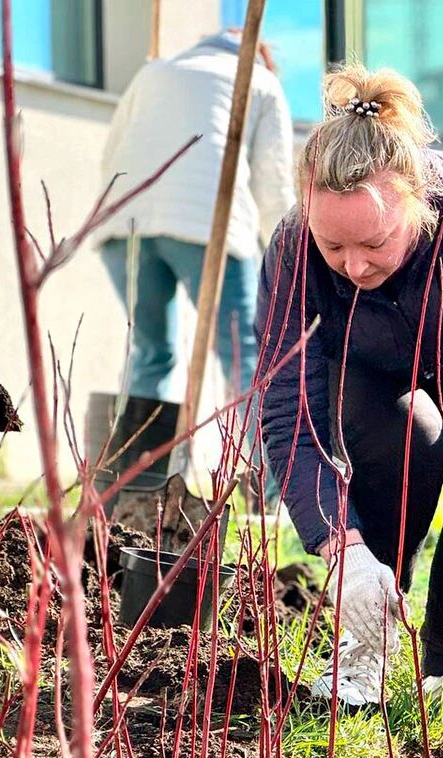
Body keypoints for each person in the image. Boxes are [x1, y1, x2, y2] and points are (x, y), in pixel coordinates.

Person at [254, 65, 443, 758]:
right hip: (364, 368)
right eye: (336, 248)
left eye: (374, 244)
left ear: (415, 206)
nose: (354, 265)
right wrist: (342, 549)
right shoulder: (293, 249)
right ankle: (363, 642)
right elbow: (286, 408)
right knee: (405, 441)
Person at [94, 30, 294, 502]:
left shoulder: (155, 70)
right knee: (245, 353)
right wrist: (287, 254)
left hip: (127, 226)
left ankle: (137, 488)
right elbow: (273, 182)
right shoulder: (259, 80)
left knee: (151, 354)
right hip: (208, 225)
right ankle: (260, 495)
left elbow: (112, 154)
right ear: (261, 56)